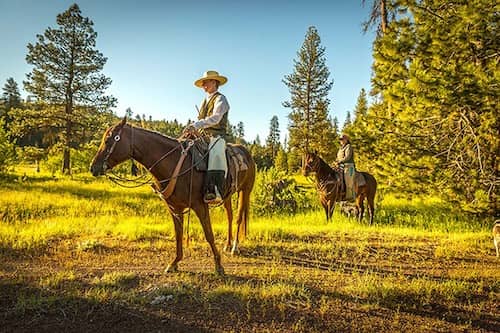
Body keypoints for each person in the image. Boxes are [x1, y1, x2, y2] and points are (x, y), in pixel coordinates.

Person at [187, 70, 230, 203]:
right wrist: (194, 129)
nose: (204, 85)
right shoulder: (204, 101)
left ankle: (215, 190)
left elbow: (216, 118)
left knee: (215, 153)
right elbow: (201, 120)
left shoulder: (220, 99)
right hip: (203, 135)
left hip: (217, 135)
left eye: (206, 82)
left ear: (214, 82)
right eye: (203, 83)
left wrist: (197, 124)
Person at [336, 134, 356, 200]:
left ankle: (350, 196)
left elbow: (347, 157)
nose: (341, 141)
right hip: (340, 166)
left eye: (342, 139)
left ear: (346, 140)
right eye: (340, 140)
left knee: (348, 179)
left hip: (349, 166)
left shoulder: (348, 147)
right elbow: (338, 157)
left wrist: (340, 161)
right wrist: (336, 161)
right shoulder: (340, 148)